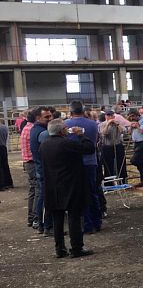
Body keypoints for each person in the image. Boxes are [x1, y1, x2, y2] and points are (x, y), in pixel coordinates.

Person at [40, 119, 96, 258]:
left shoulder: (44, 145)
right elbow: (89, 148)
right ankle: (76, 247)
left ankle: (60, 249)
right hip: (70, 185)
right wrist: (81, 135)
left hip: (52, 186)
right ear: (62, 131)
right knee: (74, 217)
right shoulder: (67, 143)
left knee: (57, 218)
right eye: (65, 128)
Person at [64, 100, 102, 233]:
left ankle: (85, 224)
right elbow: (96, 141)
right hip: (90, 162)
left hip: (73, 164)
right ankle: (96, 222)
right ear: (83, 111)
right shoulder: (93, 124)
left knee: (77, 194)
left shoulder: (65, 125)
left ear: (71, 111)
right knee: (92, 192)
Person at [30, 106, 53, 234]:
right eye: (47, 117)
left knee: (42, 197)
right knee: (45, 199)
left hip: (41, 168)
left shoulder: (37, 129)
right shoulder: (43, 133)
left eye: (50, 116)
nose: (50, 118)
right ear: (38, 118)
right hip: (44, 169)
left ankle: (42, 224)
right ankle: (45, 226)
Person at [20, 110, 36, 226]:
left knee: (33, 190)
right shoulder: (32, 130)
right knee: (36, 190)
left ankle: (32, 217)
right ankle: (35, 217)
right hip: (32, 162)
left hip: (28, 162)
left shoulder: (26, 128)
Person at [128, 108, 143, 186]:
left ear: (137, 114)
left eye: (133, 116)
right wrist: (131, 126)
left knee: (134, 160)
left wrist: (137, 125)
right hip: (136, 142)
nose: (132, 118)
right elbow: (128, 132)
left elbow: (142, 131)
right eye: (130, 116)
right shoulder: (132, 121)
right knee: (139, 161)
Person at [0, 117, 12, 191]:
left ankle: (1, 185)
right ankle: (8, 182)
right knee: (5, 165)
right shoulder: (4, 127)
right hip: (3, 147)